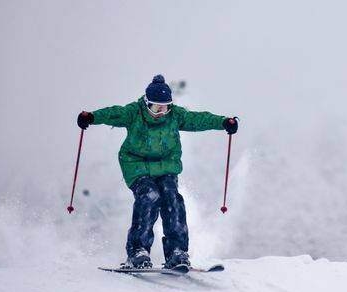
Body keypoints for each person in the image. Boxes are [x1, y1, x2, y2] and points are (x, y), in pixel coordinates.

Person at [77, 74, 238, 270]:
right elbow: (113, 113)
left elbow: (198, 119)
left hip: (166, 166)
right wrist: (91, 117)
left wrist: (223, 122)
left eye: (165, 107)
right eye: (155, 108)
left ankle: (177, 251)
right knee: (149, 195)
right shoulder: (134, 113)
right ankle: (138, 251)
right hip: (136, 164)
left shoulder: (175, 115)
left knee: (172, 197)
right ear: (146, 103)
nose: (161, 112)